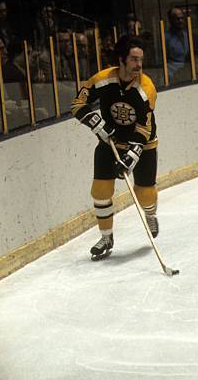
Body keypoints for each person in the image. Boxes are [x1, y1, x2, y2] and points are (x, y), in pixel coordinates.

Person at [71, 35, 159, 259]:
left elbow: (144, 129)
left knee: (144, 194)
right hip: (109, 141)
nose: (138, 65)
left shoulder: (146, 88)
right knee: (100, 191)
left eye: (140, 60)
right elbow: (77, 104)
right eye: (133, 59)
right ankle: (106, 237)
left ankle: (150, 214)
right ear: (121, 59)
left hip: (143, 145)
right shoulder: (102, 79)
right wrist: (95, 123)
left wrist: (131, 156)